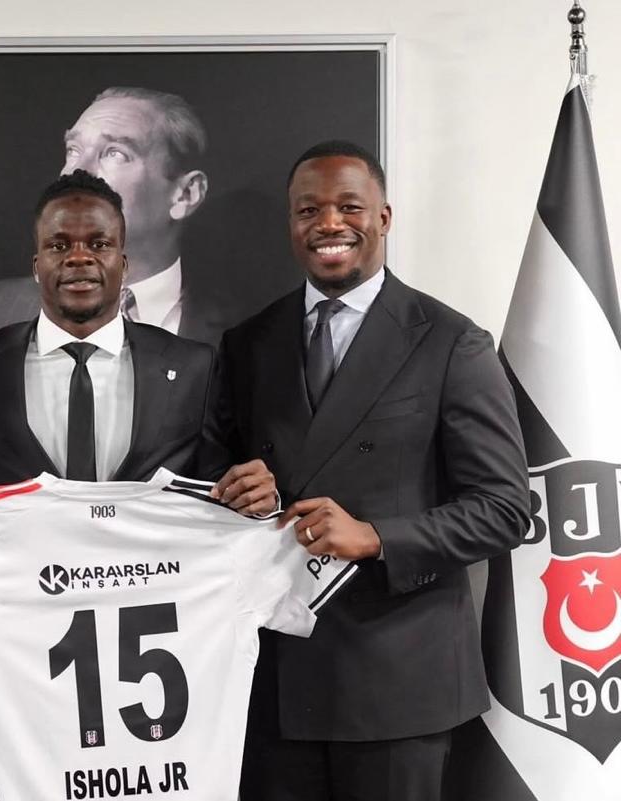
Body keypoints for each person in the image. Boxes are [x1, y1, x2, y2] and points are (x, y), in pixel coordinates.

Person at [0, 170, 276, 801]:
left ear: (123, 262)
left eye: (98, 244)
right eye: (59, 245)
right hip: (17, 691)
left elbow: (219, 502)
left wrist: (255, 503)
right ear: (36, 262)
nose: (78, 258)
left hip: (155, 695)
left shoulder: (192, 367)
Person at [217, 141, 530, 801]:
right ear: (292, 223)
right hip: (272, 677)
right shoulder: (248, 343)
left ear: (384, 218)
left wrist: (376, 537)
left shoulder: (451, 341)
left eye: (349, 207)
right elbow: (215, 479)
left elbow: (505, 509)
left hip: (399, 680)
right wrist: (238, 493)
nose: (329, 223)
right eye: (309, 210)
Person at [0, 86, 236, 465]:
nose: (76, 170)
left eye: (115, 153)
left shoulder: (237, 344)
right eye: (73, 149)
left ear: (186, 194)